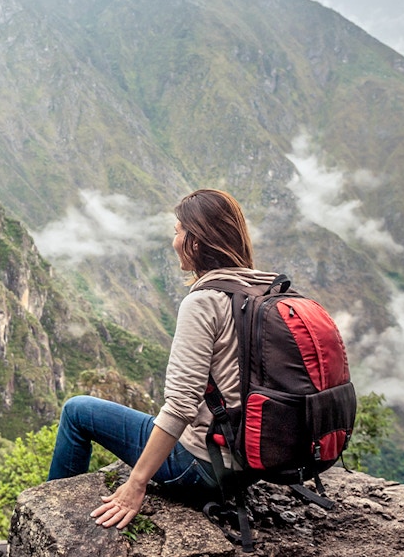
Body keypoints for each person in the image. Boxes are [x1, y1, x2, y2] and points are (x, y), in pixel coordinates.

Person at [46, 188, 278, 529]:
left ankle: (54, 517)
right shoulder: (265, 292)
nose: (174, 241)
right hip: (253, 464)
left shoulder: (204, 302)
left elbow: (181, 406)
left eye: (177, 232)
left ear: (195, 242)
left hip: (203, 467)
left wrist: (135, 484)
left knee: (77, 411)